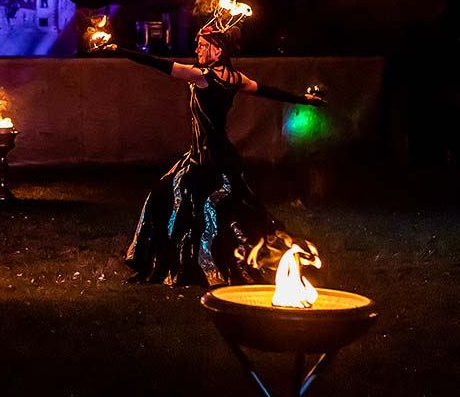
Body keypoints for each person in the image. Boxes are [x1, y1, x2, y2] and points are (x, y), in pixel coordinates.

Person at [97, 26, 325, 287]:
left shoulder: (201, 77)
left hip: (208, 160)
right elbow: (266, 90)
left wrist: (119, 50)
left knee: (191, 211)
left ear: (218, 51)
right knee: (181, 203)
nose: (197, 49)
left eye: (203, 45)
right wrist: (304, 99)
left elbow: (159, 64)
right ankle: (202, 262)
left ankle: (194, 267)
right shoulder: (235, 78)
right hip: (213, 156)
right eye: (198, 44)